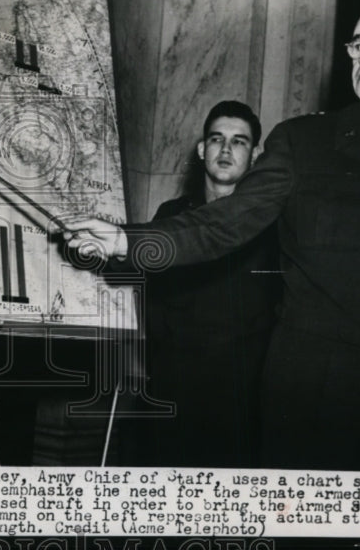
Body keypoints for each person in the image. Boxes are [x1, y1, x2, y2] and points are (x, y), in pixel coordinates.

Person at [66, 0, 360, 471]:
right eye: (357, 44)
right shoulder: (304, 142)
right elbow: (226, 221)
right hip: (311, 391)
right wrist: (127, 241)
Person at [126, 101, 280, 468]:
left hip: (238, 404)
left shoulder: (273, 227)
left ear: (256, 155)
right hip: (169, 389)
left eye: (239, 142)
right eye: (217, 139)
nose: (226, 150)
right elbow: (151, 302)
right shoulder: (170, 216)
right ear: (201, 149)